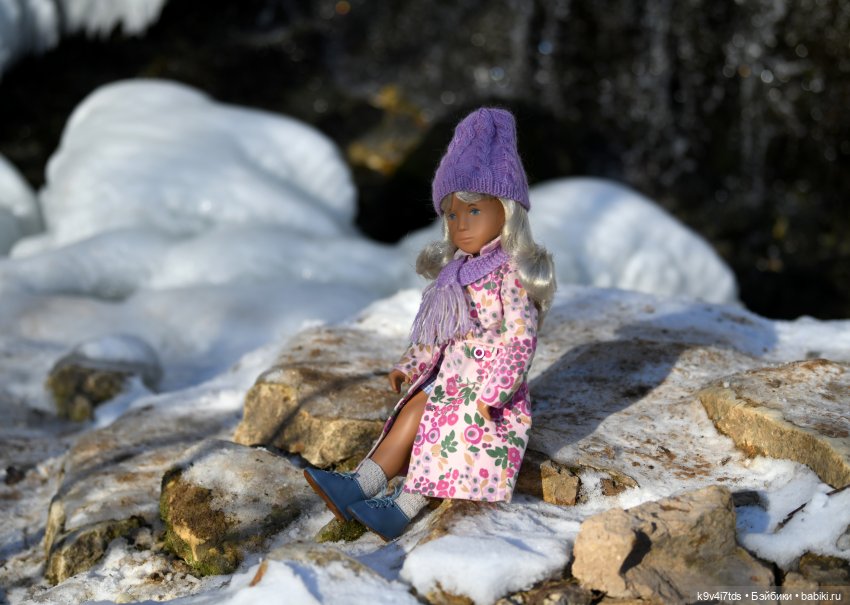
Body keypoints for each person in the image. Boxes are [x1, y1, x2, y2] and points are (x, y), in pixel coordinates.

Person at [304, 107, 555, 541]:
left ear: (507, 210)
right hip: (450, 378)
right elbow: (434, 333)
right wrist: (411, 363)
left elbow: (520, 339)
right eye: (453, 215)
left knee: (443, 429)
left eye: (474, 212)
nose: (461, 226)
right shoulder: (454, 274)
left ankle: (399, 505)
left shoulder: (511, 274)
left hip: (485, 394)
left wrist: (495, 391)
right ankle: (362, 485)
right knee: (417, 410)